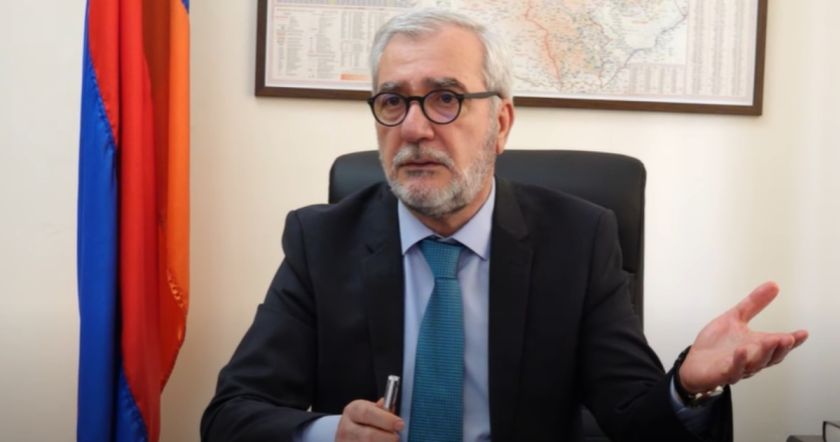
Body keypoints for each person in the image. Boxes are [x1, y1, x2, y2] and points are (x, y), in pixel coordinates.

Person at [201, 9, 808, 442]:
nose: (414, 127)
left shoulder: (579, 241)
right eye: (392, 101)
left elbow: (635, 420)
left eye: (445, 98)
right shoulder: (321, 242)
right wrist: (329, 432)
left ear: (501, 123)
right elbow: (231, 415)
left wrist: (689, 386)